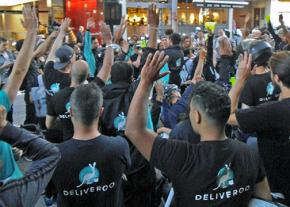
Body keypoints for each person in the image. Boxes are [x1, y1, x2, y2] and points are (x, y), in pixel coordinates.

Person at [125, 50, 272, 207]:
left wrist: (146, 81)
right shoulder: (249, 154)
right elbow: (265, 199)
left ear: (196, 116)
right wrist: (240, 81)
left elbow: (133, 130)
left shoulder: (181, 155)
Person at [0, 6, 60, 206]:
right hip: (13, 189)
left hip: (13, 184)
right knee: (32, 122)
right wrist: (33, 33)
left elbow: (19, 69)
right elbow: (19, 71)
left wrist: (43, 36)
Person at [51, 83, 130, 207]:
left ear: (70, 111)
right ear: (101, 111)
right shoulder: (119, 146)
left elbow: (51, 190)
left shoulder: (54, 155)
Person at [228, 51, 290, 205]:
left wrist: (240, 80)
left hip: (280, 191)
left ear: (276, 78)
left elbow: (228, 116)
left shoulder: (272, 111)